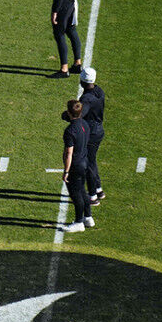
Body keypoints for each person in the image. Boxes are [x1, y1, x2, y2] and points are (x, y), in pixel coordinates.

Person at [43, 0, 83, 78]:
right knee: (71, 30)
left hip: (63, 3)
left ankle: (64, 69)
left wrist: (55, 10)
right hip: (71, 0)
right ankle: (77, 63)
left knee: (59, 33)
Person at [60, 99, 93, 232]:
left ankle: (79, 221)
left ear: (69, 112)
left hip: (76, 164)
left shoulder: (70, 130)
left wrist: (66, 171)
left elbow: (69, 153)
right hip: (84, 161)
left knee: (76, 194)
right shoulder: (85, 123)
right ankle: (88, 217)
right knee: (82, 191)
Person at [79, 67, 106, 203]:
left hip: (91, 132)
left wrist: (68, 115)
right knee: (92, 160)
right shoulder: (99, 91)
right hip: (98, 129)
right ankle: (98, 189)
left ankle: (92, 196)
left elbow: (80, 114)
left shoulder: (87, 98)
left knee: (88, 163)